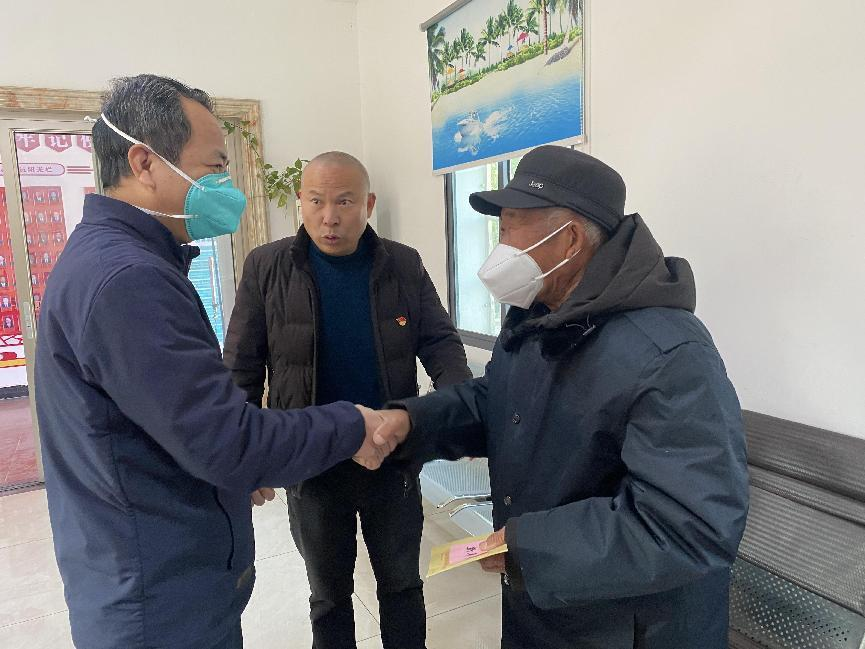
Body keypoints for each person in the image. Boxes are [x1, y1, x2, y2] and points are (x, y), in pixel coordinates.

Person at [34, 75, 402, 649]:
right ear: (144, 162)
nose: (224, 187)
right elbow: (227, 434)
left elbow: (191, 422)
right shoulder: (129, 279)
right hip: (158, 599)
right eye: (213, 168)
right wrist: (352, 424)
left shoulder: (120, 261)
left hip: (163, 575)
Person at [373, 145, 750, 649]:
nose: (499, 247)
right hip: (546, 605)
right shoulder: (540, 316)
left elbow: (690, 525)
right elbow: (501, 400)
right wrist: (412, 423)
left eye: (511, 228)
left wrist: (529, 548)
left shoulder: (667, 353)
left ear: (569, 239)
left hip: (626, 628)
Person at [223, 151, 472, 649]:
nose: (329, 217)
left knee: (402, 585)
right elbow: (241, 368)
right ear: (299, 202)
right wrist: (240, 456)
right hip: (311, 462)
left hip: (391, 456)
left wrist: (462, 413)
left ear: (368, 204)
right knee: (328, 594)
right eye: (316, 201)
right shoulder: (267, 267)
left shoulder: (402, 264)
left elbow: (440, 344)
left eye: (344, 202)